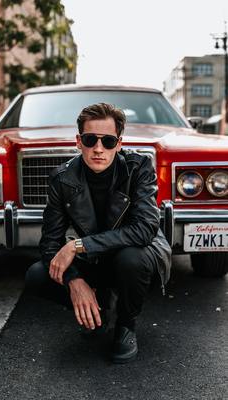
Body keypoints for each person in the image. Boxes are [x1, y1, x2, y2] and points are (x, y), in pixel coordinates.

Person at [25, 103, 171, 364]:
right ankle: (97, 309)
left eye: (108, 141)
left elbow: (145, 229)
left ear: (119, 143)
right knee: (37, 275)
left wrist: (77, 246)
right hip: (96, 257)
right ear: (79, 141)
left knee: (131, 259)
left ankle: (126, 325)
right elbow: (49, 244)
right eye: (91, 140)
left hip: (134, 254)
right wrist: (74, 281)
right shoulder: (62, 178)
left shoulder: (139, 168)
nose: (99, 149)